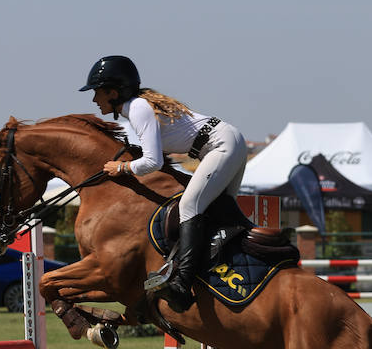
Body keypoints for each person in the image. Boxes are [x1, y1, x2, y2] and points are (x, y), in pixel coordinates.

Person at [80, 55, 247, 313]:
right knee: (221, 213)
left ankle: (181, 286)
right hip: (226, 141)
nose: (94, 99)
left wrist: (121, 168)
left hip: (221, 145)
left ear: (113, 92)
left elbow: (153, 163)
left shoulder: (137, 108)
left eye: (97, 93)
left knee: (190, 206)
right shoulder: (135, 109)